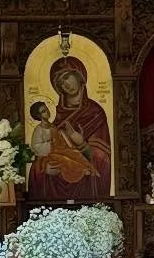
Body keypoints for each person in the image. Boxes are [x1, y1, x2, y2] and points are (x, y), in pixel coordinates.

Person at [28, 56, 113, 200]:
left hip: (86, 191)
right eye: (60, 82)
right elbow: (40, 155)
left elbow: (104, 159)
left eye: (67, 77)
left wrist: (81, 144)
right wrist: (43, 170)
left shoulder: (95, 113)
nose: (65, 84)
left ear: (80, 75)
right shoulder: (54, 119)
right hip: (54, 195)